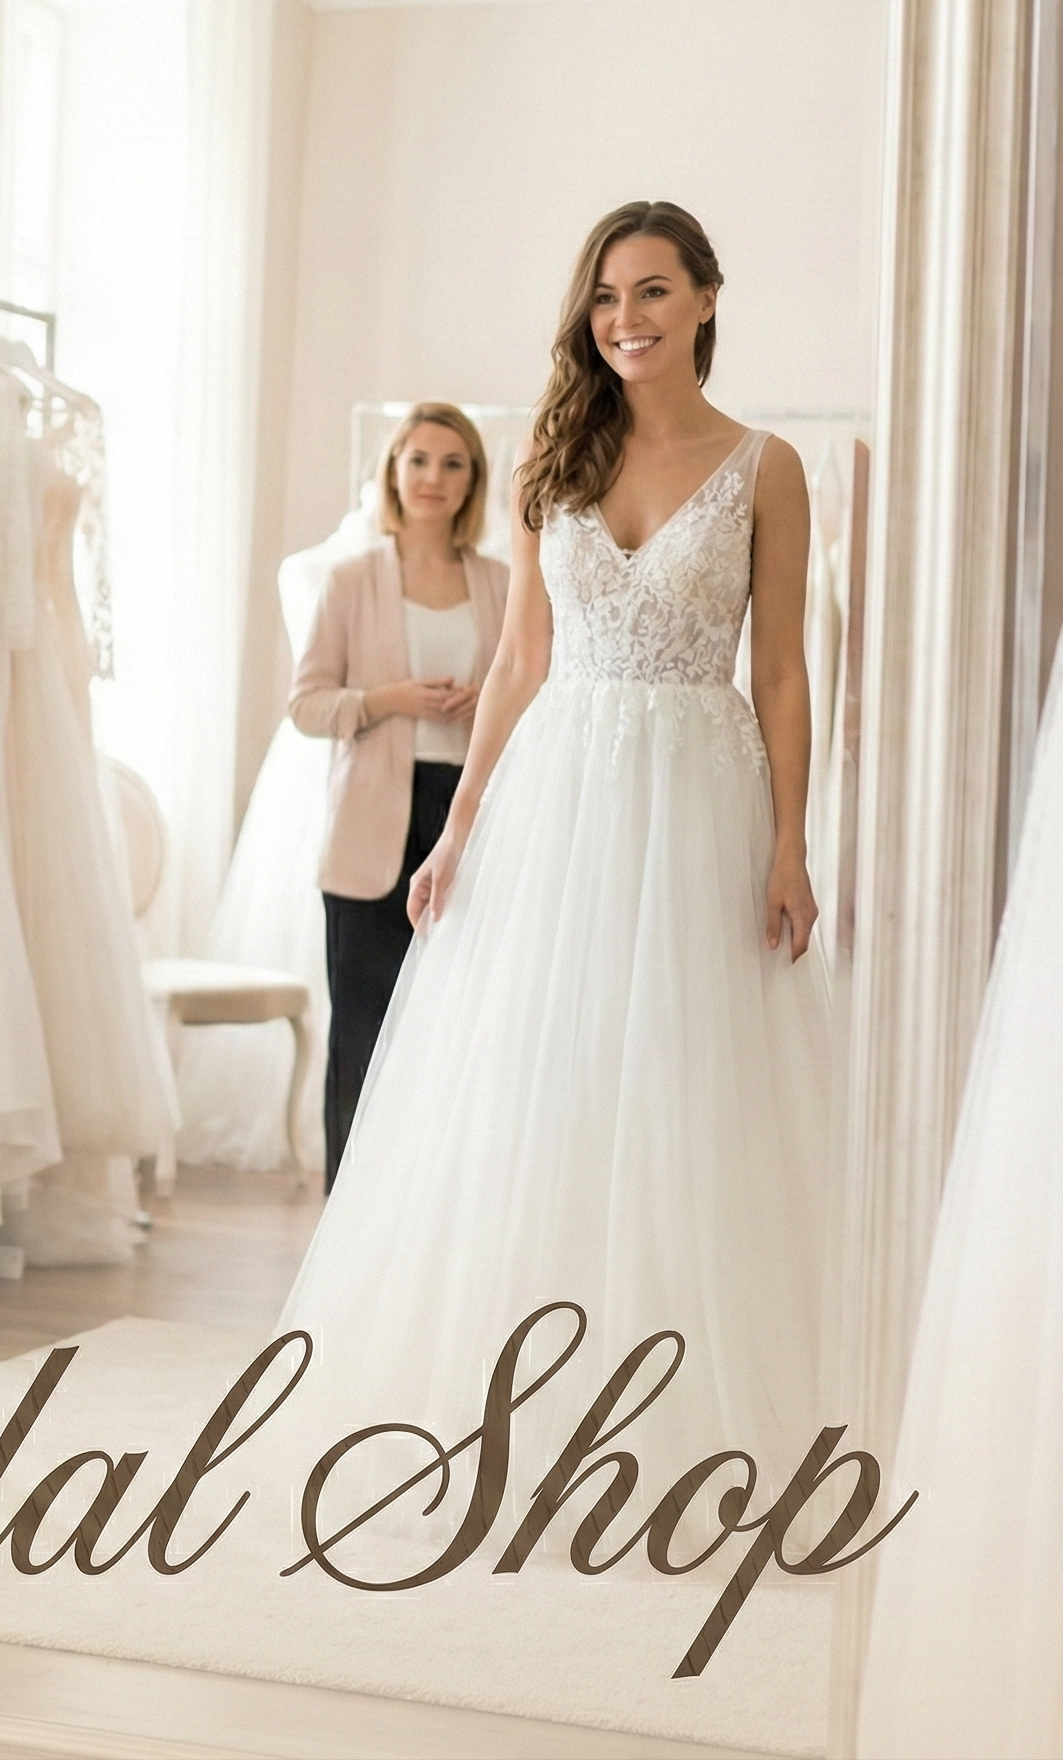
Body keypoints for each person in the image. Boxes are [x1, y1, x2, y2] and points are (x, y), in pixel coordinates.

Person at [278, 204, 837, 1535]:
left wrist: (792, 842)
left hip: (701, 789)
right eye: (603, 298)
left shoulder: (768, 466)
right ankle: (518, 1399)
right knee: (543, 1077)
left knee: (686, 1086)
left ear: (707, 298)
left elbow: (783, 669)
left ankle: (671, 1413)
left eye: (651, 292)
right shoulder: (552, 457)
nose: (625, 319)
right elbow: (521, 663)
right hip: (558, 797)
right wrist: (462, 830)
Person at [288, 404, 509, 1191]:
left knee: (458, 1034)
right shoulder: (351, 580)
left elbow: (531, 702)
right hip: (370, 835)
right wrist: (391, 698)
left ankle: (435, 1210)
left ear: (473, 481)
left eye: (453, 464)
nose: (433, 479)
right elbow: (308, 704)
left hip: (470, 825)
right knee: (364, 1032)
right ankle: (347, 1211)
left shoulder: (502, 584)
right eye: (418, 460)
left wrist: (486, 700)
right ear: (392, 472)